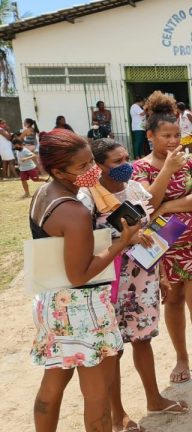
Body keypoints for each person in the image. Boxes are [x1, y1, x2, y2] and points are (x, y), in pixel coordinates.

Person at [29, 128, 141, 432]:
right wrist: (122, 242)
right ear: (58, 171)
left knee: (52, 385)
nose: (92, 169)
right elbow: (79, 274)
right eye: (83, 166)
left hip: (52, 302)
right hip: (83, 308)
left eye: (92, 161)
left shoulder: (44, 194)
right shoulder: (74, 211)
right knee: (97, 398)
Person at [78, 138, 189, 431]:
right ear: (99, 166)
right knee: (113, 350)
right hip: (110, 283)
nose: (125, 165)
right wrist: (122, 239)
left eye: (126, 158)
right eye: (117, 161)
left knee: (143, 340)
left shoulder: (135, 189)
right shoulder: (87, 198)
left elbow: (150, 230)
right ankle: (118, 414)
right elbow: (84, 243)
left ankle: (154, 399)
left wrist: (161, 274)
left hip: (143, 278)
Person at [133, 91, 192, 394]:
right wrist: (167, 171)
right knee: (173, 301)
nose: (173, 141)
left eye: (177, 134)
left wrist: (167, 207)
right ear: (150, 136)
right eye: (166, 136)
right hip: (163, 246)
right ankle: (182, 359)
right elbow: (147, 203)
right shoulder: (140, 168)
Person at [130, 96, 147, 160]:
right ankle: (136, 156)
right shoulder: (134, 106)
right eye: (143, 102)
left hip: (141, 127)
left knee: (141, 142)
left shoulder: (138, 107)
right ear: (140, 101)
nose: (144, 103)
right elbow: (142, 114)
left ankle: (142, 155)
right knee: (138, 141)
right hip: (137, 127)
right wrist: (146, 108)